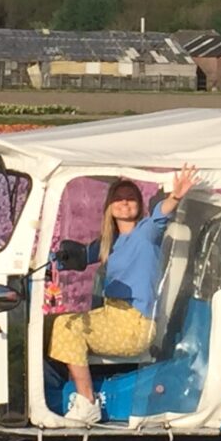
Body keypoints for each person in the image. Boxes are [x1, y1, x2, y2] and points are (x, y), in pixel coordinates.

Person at [49, 165, 200, 424]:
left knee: (67, 326)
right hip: (111, 315)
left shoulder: (146, 232)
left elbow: (160, 216)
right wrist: (50, 260)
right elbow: (80, 257)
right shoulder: (110, 241)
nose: (124, 203)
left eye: (130, 198)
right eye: (118, 198)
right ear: (109, 206)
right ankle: (66, 391)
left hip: (135, 324)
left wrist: (175, 197)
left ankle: (87, 403)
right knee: (51, 325)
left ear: (139, 204)